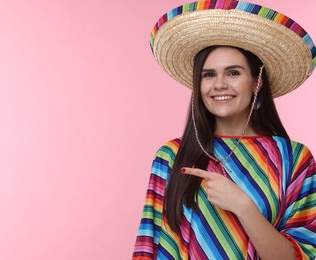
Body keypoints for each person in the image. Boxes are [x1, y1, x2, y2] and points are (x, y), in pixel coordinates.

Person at [133, 0, 316, 259]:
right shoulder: (172, 156)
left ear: (257, 82)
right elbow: (149, 246)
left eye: (233, 73)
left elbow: (301, 256)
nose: (219, 84)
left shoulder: (294, 159)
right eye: (208, 75)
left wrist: (244, 207)